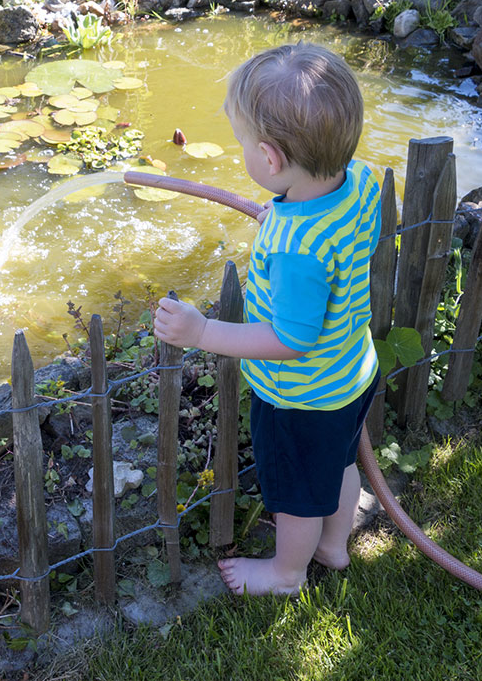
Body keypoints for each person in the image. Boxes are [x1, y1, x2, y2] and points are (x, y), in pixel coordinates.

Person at [153, 42, 382, 596]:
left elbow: (289, 339)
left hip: (301, 397)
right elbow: (329, 233)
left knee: (300, 494)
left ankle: (286, 572)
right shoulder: (359, 182)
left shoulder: (296, 250)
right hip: (350, 372)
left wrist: (202, 331)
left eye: (244, 148)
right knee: (339, 466)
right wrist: (283, 210)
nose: (243, 157)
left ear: (272, 160)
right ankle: (334, 545)